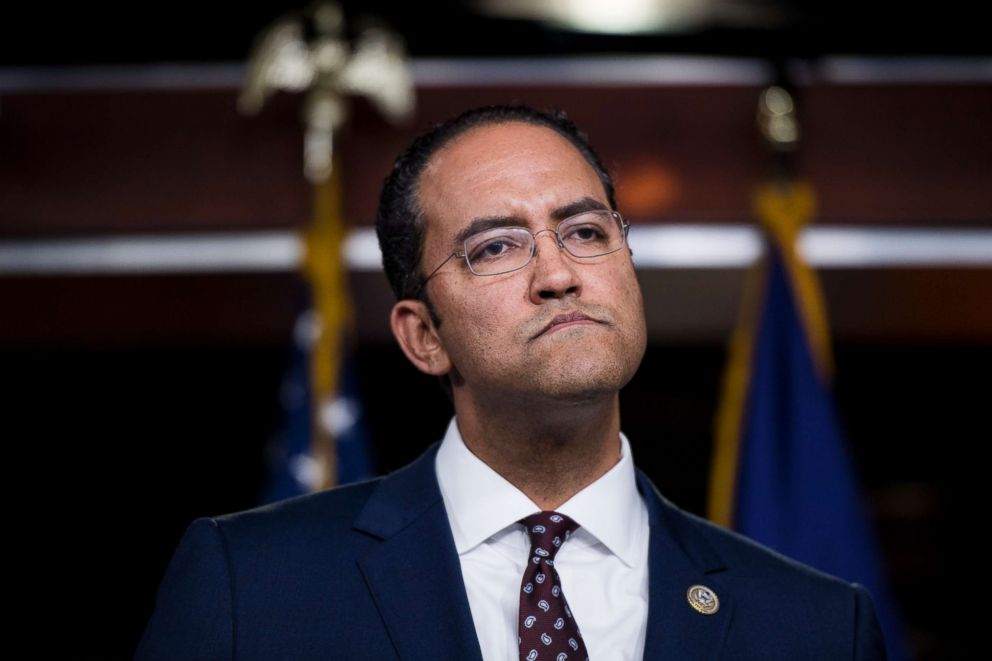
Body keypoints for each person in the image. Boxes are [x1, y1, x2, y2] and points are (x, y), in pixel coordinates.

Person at [136, 104, 888, 660]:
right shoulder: (249, 589)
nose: (558, 274)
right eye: (496, 247)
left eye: (587, 231)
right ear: (423, 336)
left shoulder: (817, 626)